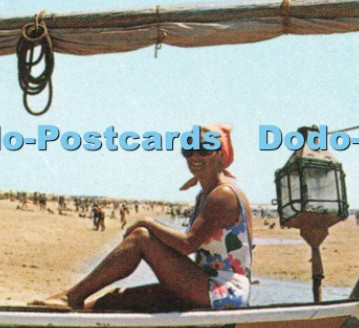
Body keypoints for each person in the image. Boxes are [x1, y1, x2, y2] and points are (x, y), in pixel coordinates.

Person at [37, 125, 252, 311]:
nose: (195, 155)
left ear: (219, 155)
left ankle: (72, 297)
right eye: (189, 149)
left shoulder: (222, 195)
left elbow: (188, 244)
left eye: (204, 149)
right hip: (205, 282)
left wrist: (146, 222)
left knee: (141, 237)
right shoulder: (206, 194)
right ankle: (66, 307)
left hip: (223, 289)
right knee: (119, 299)